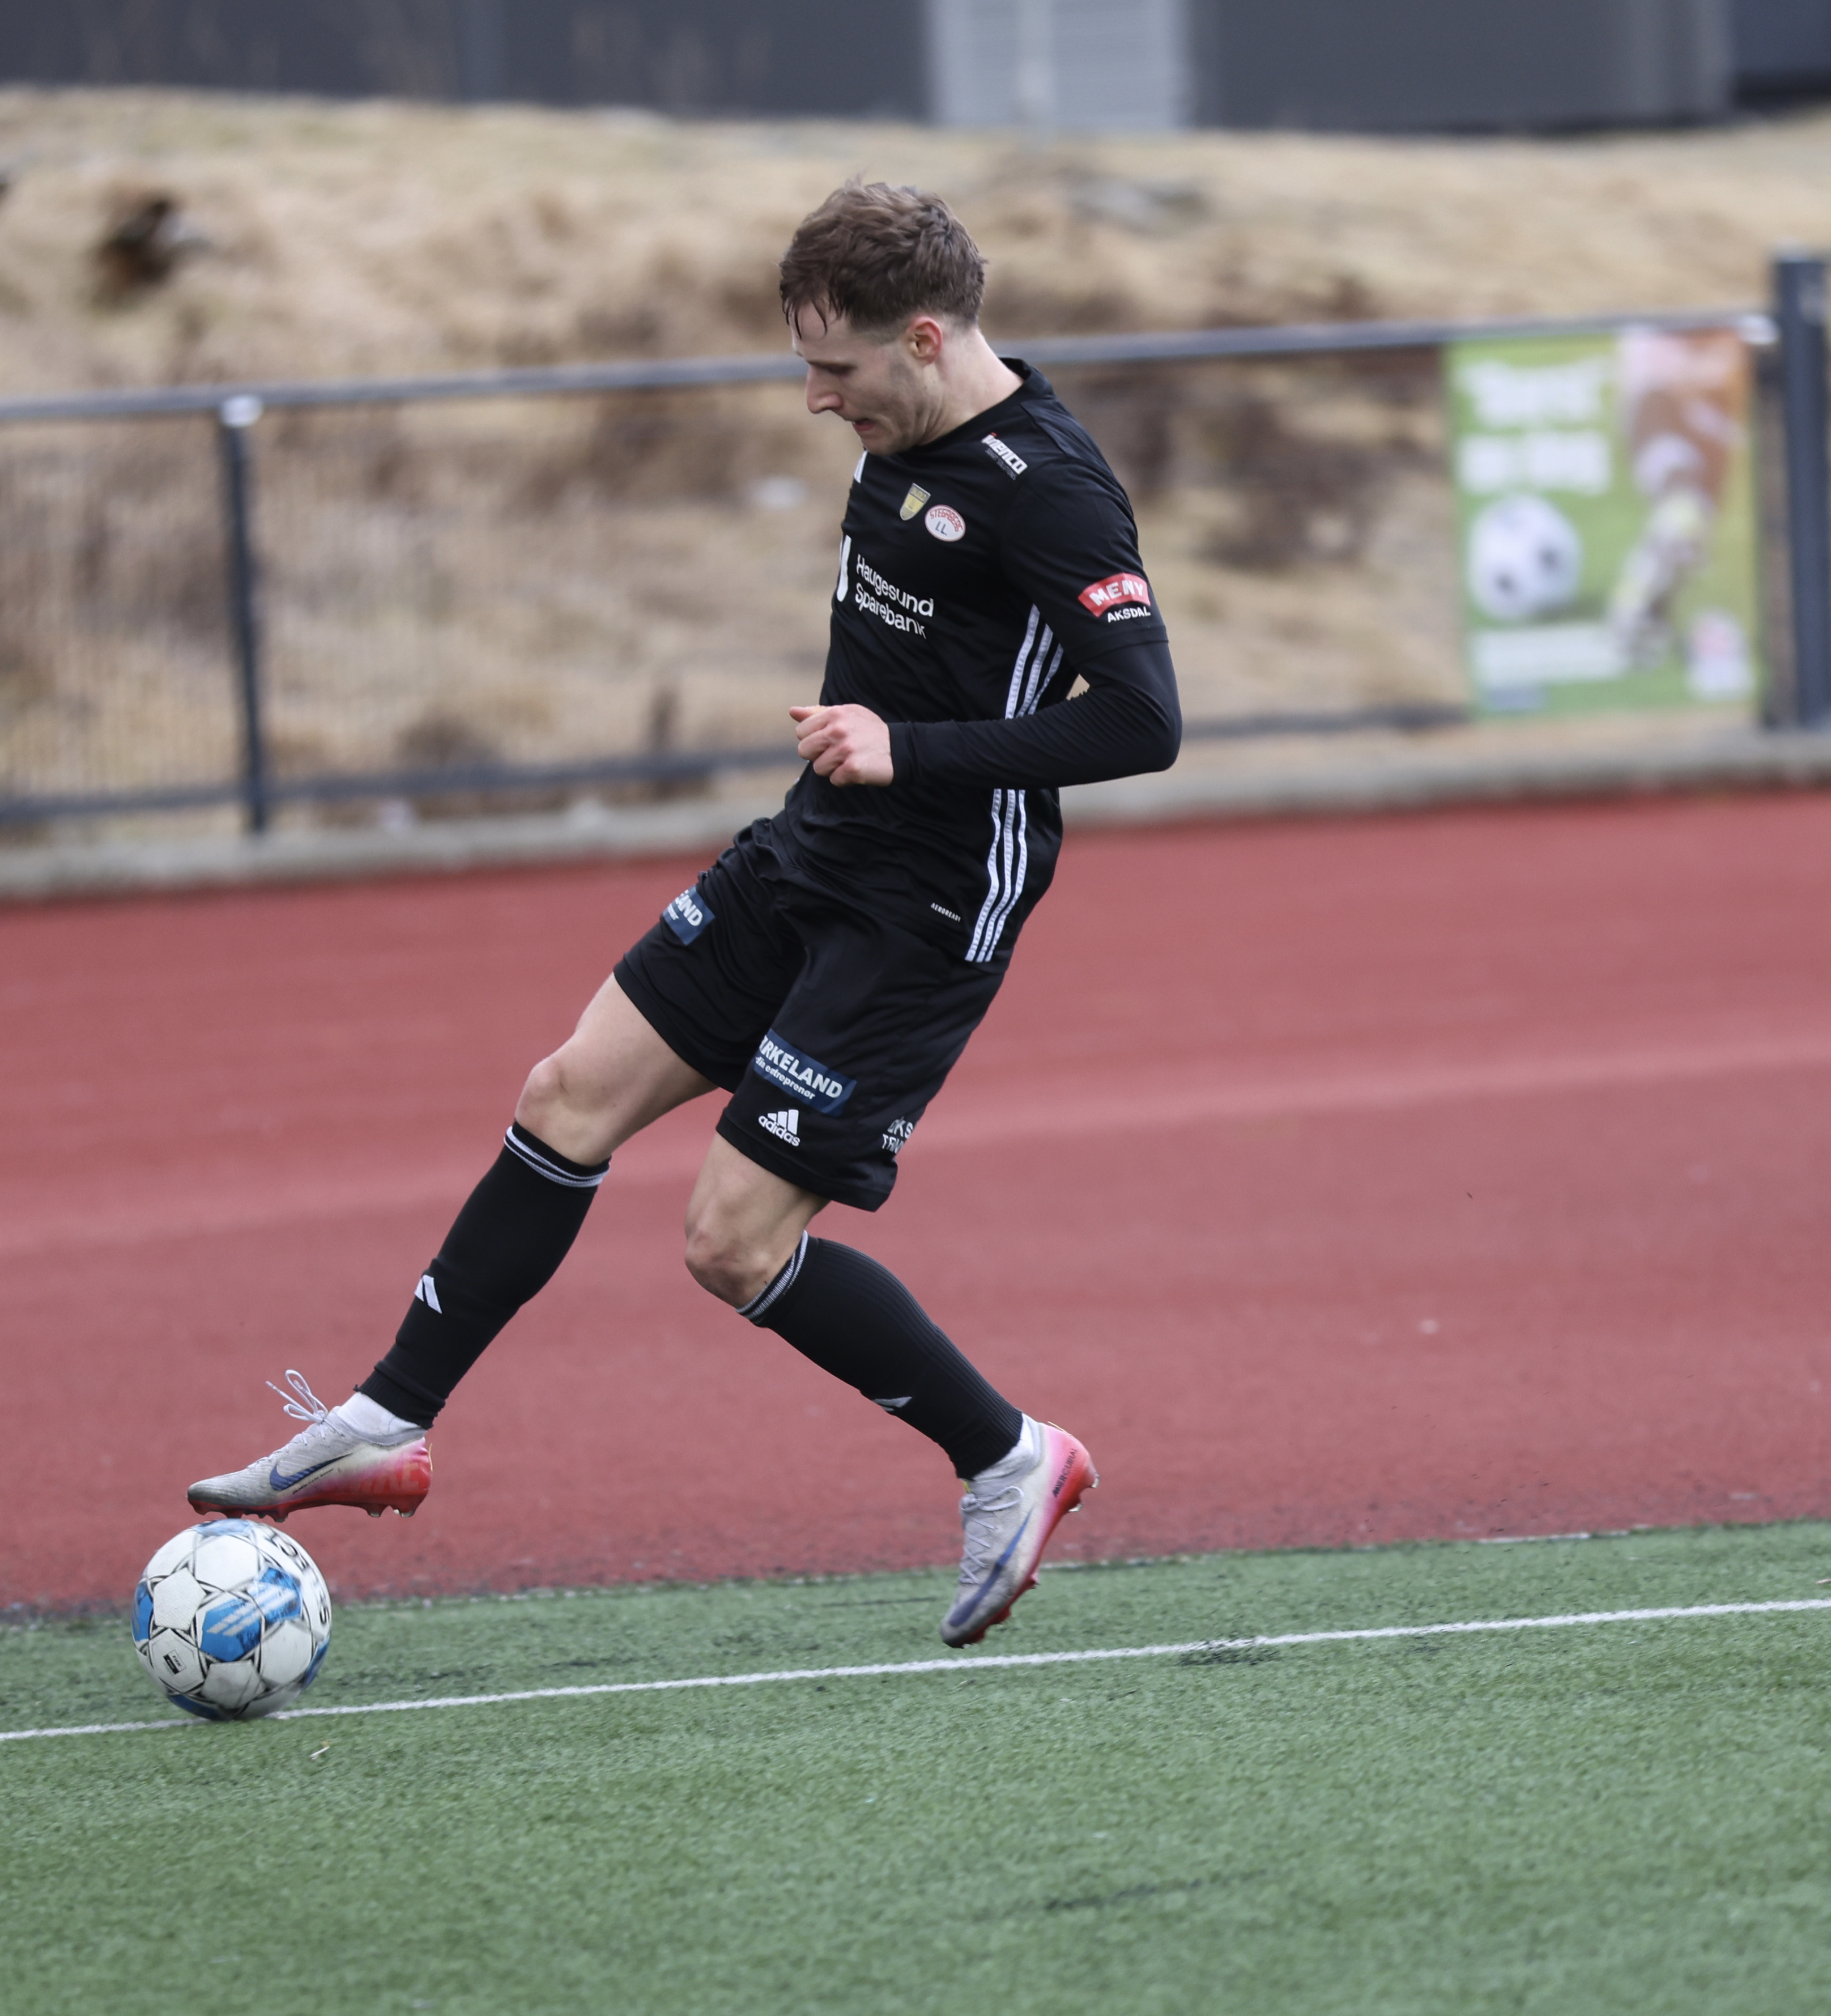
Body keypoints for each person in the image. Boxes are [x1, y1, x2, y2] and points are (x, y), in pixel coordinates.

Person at [187, 181, 1183, 1647]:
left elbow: (1142, 722)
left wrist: (913, 750)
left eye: (833, 371)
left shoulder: (1049, 487)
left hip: (922, 902)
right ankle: (382, 1424)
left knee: (727, 1244)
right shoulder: (896, 430)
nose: (810, 401)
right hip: (810, 849)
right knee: (566, 1092)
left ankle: (1009, 1456)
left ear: (921, 340)